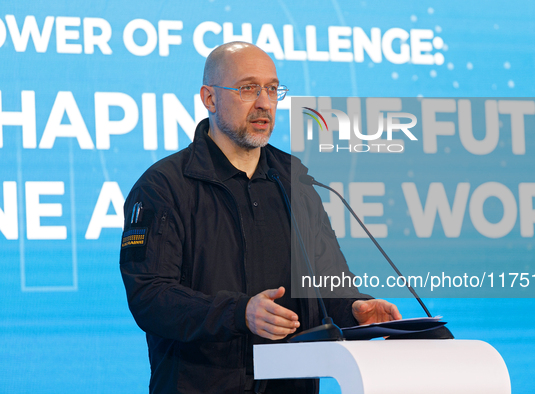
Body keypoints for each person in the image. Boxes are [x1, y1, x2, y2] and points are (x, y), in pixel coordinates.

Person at [119, 41, 401, 394]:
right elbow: (151, 297)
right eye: (248, 88)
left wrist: (355, 308)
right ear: (209, 98)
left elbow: (326, 280)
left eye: (272, 89)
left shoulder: (295, 181)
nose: (264, 102)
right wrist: (240, 312)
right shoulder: (164, 186)